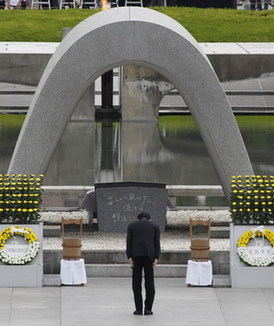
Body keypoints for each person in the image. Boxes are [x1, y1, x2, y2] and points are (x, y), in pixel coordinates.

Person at [126, 212, 161, 316]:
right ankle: (148, 309)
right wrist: (156, 257)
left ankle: (138, 309)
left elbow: (129, 242)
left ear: (138, 219)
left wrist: (129, 256)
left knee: (136, 283)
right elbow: (156, 243)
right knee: (149, 283)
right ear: (149, 219)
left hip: (136, 256)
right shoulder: (155, 226)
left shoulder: (132, 226)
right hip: (150, 256)